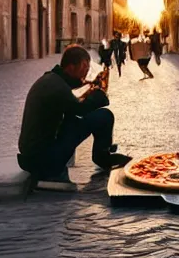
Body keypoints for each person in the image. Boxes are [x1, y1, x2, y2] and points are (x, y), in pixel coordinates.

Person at [17, 45, 132, 187]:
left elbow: (72, 106)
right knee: (104, 115)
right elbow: (80, 110)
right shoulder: (56, 86)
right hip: (44, 160)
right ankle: (102, 157)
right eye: (84, 66)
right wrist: (99, 94)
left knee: (78, 119)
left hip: (33, 156)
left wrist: (90, 90)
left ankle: (102, 154)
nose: (86, 71)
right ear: (71, 67)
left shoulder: (52, 80)